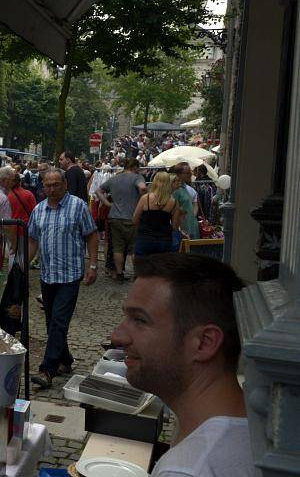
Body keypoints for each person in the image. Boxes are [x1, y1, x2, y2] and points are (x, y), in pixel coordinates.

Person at [110, 254, 252, 476]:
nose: (117, 336)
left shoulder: (188, 470)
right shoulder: (248, 420)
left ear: (204, 343)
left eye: (140, 320)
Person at [27, 169, 98, 389]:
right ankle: (65, 360)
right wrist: (21, 266)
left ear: (65, 184)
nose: (51, 189)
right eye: (47, 185)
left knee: (59, 321)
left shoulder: (78, 206)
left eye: (56, 184)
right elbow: (33, 240)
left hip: (70, 275)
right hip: (47, 275)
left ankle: (47, 369)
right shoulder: (39, 209)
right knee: (52, 323)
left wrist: (92, 265)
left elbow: (91, 235)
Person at [95, 158, 147, 280]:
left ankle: (119, 273)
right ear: (135, 167)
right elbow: (143, 187)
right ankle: (137, 274)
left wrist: (107, 204)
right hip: (132, 217)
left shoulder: (114, 178)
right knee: (134, 248)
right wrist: (144, 198)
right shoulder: (137, 177)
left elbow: (98, 191)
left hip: (114, 217)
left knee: (118, 247)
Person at [133, 172, 181, 256]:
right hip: (164, 240)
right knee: (161, 263)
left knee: (142, 263)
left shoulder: (145, 198)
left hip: (145, 238)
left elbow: (134, 219)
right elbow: (174, 227)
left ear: (155, 182)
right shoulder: (174, 202)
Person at [171, 163, 200, 242]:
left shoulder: (188, 189)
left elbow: (194, 205)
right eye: (187, 173)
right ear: (179, 174)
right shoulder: (175, 190)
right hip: (182, 227)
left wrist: (191, 216)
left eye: (190, 172)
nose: (190, 174)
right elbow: (173, 211)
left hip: (190, 225)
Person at [7, 173, 37, 240]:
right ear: (20, 181)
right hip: (26, 227)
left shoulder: (6, 196)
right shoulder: (28, 194)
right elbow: (35, 212)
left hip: (11, 229)